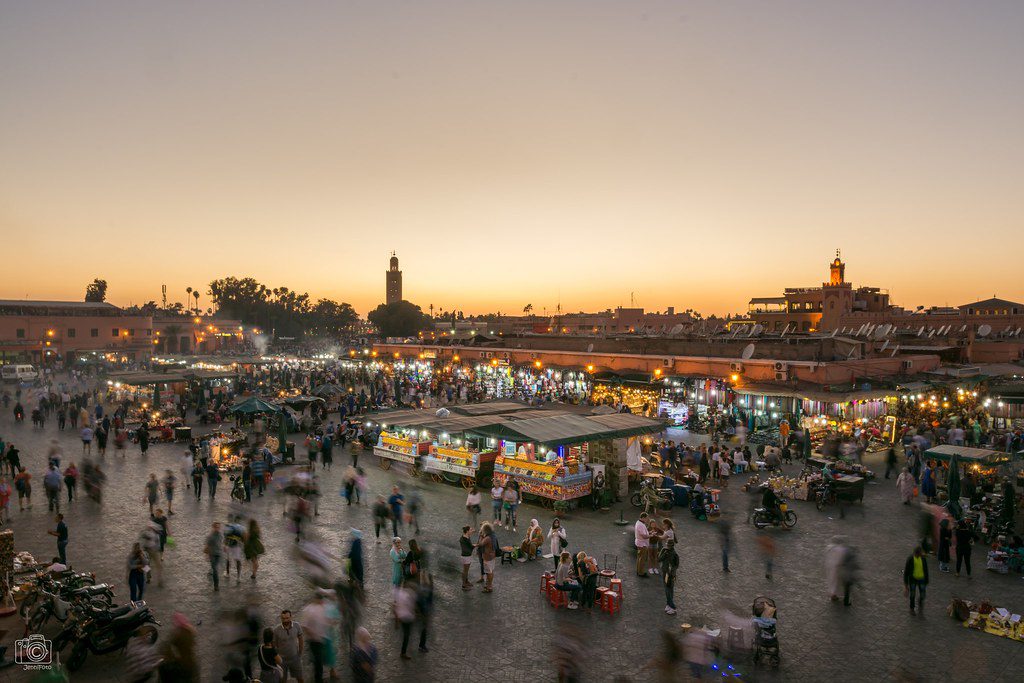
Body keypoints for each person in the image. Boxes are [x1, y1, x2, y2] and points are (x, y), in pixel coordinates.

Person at [300, 592, 331, 683]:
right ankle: (318, 679)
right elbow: (304, 626)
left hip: (322, 638)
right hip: (314, 640)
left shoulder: (323, 606)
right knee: (318, 661)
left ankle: (318, 674)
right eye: (321, 600)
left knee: (320, 659)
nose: (322, 602)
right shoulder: (308, 610)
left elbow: (326, 619)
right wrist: (313, 634)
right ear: (316, 599)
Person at [273, 610, 305, 683]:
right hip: (282, 660)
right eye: (283, 618)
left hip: (295, 658)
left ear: (291, 617)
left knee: (300, 678)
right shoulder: (276, 630)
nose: (285, 620)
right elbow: (274, 645)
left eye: (287, 618)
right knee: (282, 680)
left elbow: (301, 639)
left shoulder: (297, 626)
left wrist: (299, 653)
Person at [903, 546, 929, 615]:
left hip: (922, 579)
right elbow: (906, 573)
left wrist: (926, 580)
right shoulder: (910, 559)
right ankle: (912, 608)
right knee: (912, 594)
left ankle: (920, 603)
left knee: (923, 594)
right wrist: (906, 586)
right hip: (913, 579)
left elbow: (926, 570)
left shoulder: (923, 559)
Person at [659, 539, 680, 615]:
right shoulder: (664, 550)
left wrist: (672, 572)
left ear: (672, 546)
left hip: (671, 575)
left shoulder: (675, 554)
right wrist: (665, 554)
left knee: (669, 589)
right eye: (667, 545)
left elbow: (676, 565)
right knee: (667, 589)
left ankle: (673, 607)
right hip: (665, 573)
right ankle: (668, 604)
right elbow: (659, 559)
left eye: (669, 546)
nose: (668, 547)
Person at [204, 521, 224, 591]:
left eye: (219, 527)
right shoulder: (210, 536)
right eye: (216, 527)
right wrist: (206, 555)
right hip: (212, 554)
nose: (217, 528)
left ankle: (216, 584)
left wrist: (224, 548)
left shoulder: (221, 535)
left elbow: (221, 543)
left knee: (215, 569)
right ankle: (216, 585)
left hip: (219, 554)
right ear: (213, 527)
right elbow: (207, 546)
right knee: (215, 569)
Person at [476, 524, 496, 593]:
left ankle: (489, 587)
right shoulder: (493, 535)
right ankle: (489, 584)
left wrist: (481, 535)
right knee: (491, 571)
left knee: (488, 573)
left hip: (487, 557)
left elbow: (480, 544)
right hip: (492, 556)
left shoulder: (487, 538)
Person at [635, 512, 651, 576]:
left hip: (640, 543)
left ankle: (638, 571)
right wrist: (651, 535)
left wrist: (649, 532)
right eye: (647, 518)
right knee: (642, 559)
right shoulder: (640, 525)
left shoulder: (639, 523)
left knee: (639, 558)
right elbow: (644, 536)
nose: (647, 520)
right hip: (642, 544)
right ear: (643, 518)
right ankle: (641, 573)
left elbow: (644, 533)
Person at [459, 525, 475, 590]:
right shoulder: (466, 539)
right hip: (466, 556)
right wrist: (477, 545)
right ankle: (464, 584)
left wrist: (472, 531)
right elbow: (471, 547)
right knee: (465, 570)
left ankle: (466, 581)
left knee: (466, 570)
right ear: (467, 531)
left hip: (465, 555)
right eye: (470, 530)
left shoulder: (464, 537)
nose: (471, 531)